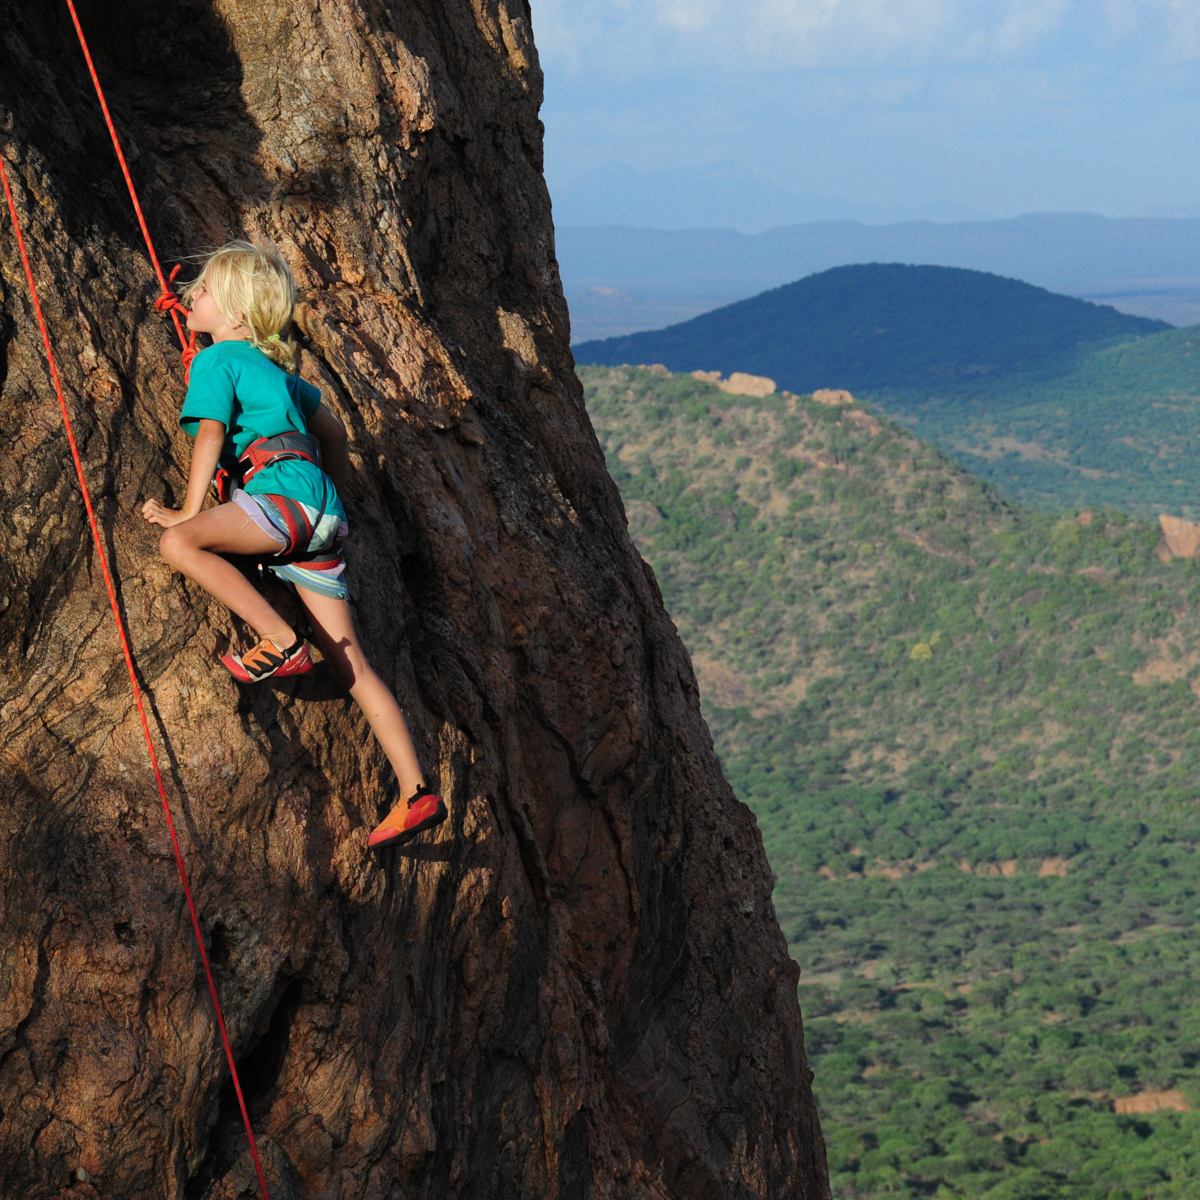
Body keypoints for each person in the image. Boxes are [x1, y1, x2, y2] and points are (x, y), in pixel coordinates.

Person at [140, 241, 446, 850]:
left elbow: (209, 433)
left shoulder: (217, 358)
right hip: (321, 512)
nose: (190, 298)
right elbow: (332, 433)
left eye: (200, 291)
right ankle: (417, 792)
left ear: (231, 311)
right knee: (350, 661)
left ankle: (279, 639)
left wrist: (188, 510)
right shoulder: (277, 373)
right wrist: (333, 496)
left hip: (282, 501)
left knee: (179, 545)